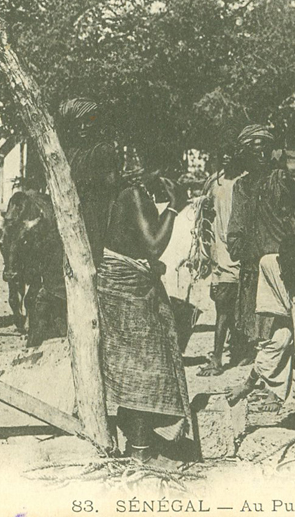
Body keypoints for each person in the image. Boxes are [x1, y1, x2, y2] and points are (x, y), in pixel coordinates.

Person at [97, 149, 192, 463]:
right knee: (142, 368)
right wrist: (176, 207)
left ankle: (134, 445)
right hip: (128, 291)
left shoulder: (124, 194)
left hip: (122, 285)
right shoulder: (134, 194)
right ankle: (138, 451)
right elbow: (153, 245)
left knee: (129, 369)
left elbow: (134, 245)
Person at [227, 125, 295, 368]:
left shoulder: (280, 180)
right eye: (254, 150)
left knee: (283, 329)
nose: (261, 155)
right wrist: (241, 249)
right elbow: (235, 228)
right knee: (261, 333)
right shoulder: (241, 186)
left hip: (281, 265)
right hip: (254, 267)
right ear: (244, 153)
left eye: (265, 149)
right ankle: (263, 379)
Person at [225, 237, 295, 418]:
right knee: (279, 340)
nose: (291, 273)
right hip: (286, 306)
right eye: (286, 267)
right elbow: (274, 346)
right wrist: (248, 384)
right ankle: (259, 386)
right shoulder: (272, 265)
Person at [198, 148, 246, 376]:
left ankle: (227, 354)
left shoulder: (244, 182)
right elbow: (204, 215)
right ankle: (223, 355)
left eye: (231, 150)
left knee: (232, 303)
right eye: (223, 149)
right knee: (223, 303)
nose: (226, 155)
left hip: (238, 250)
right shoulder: (213, 182)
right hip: (219, 250)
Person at [60, 97, 120, 265]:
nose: (83, 127)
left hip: (94, 209)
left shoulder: (103, 149)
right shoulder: (71, 151)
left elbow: (111, 185)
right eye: (78, 123)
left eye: (88, 122)